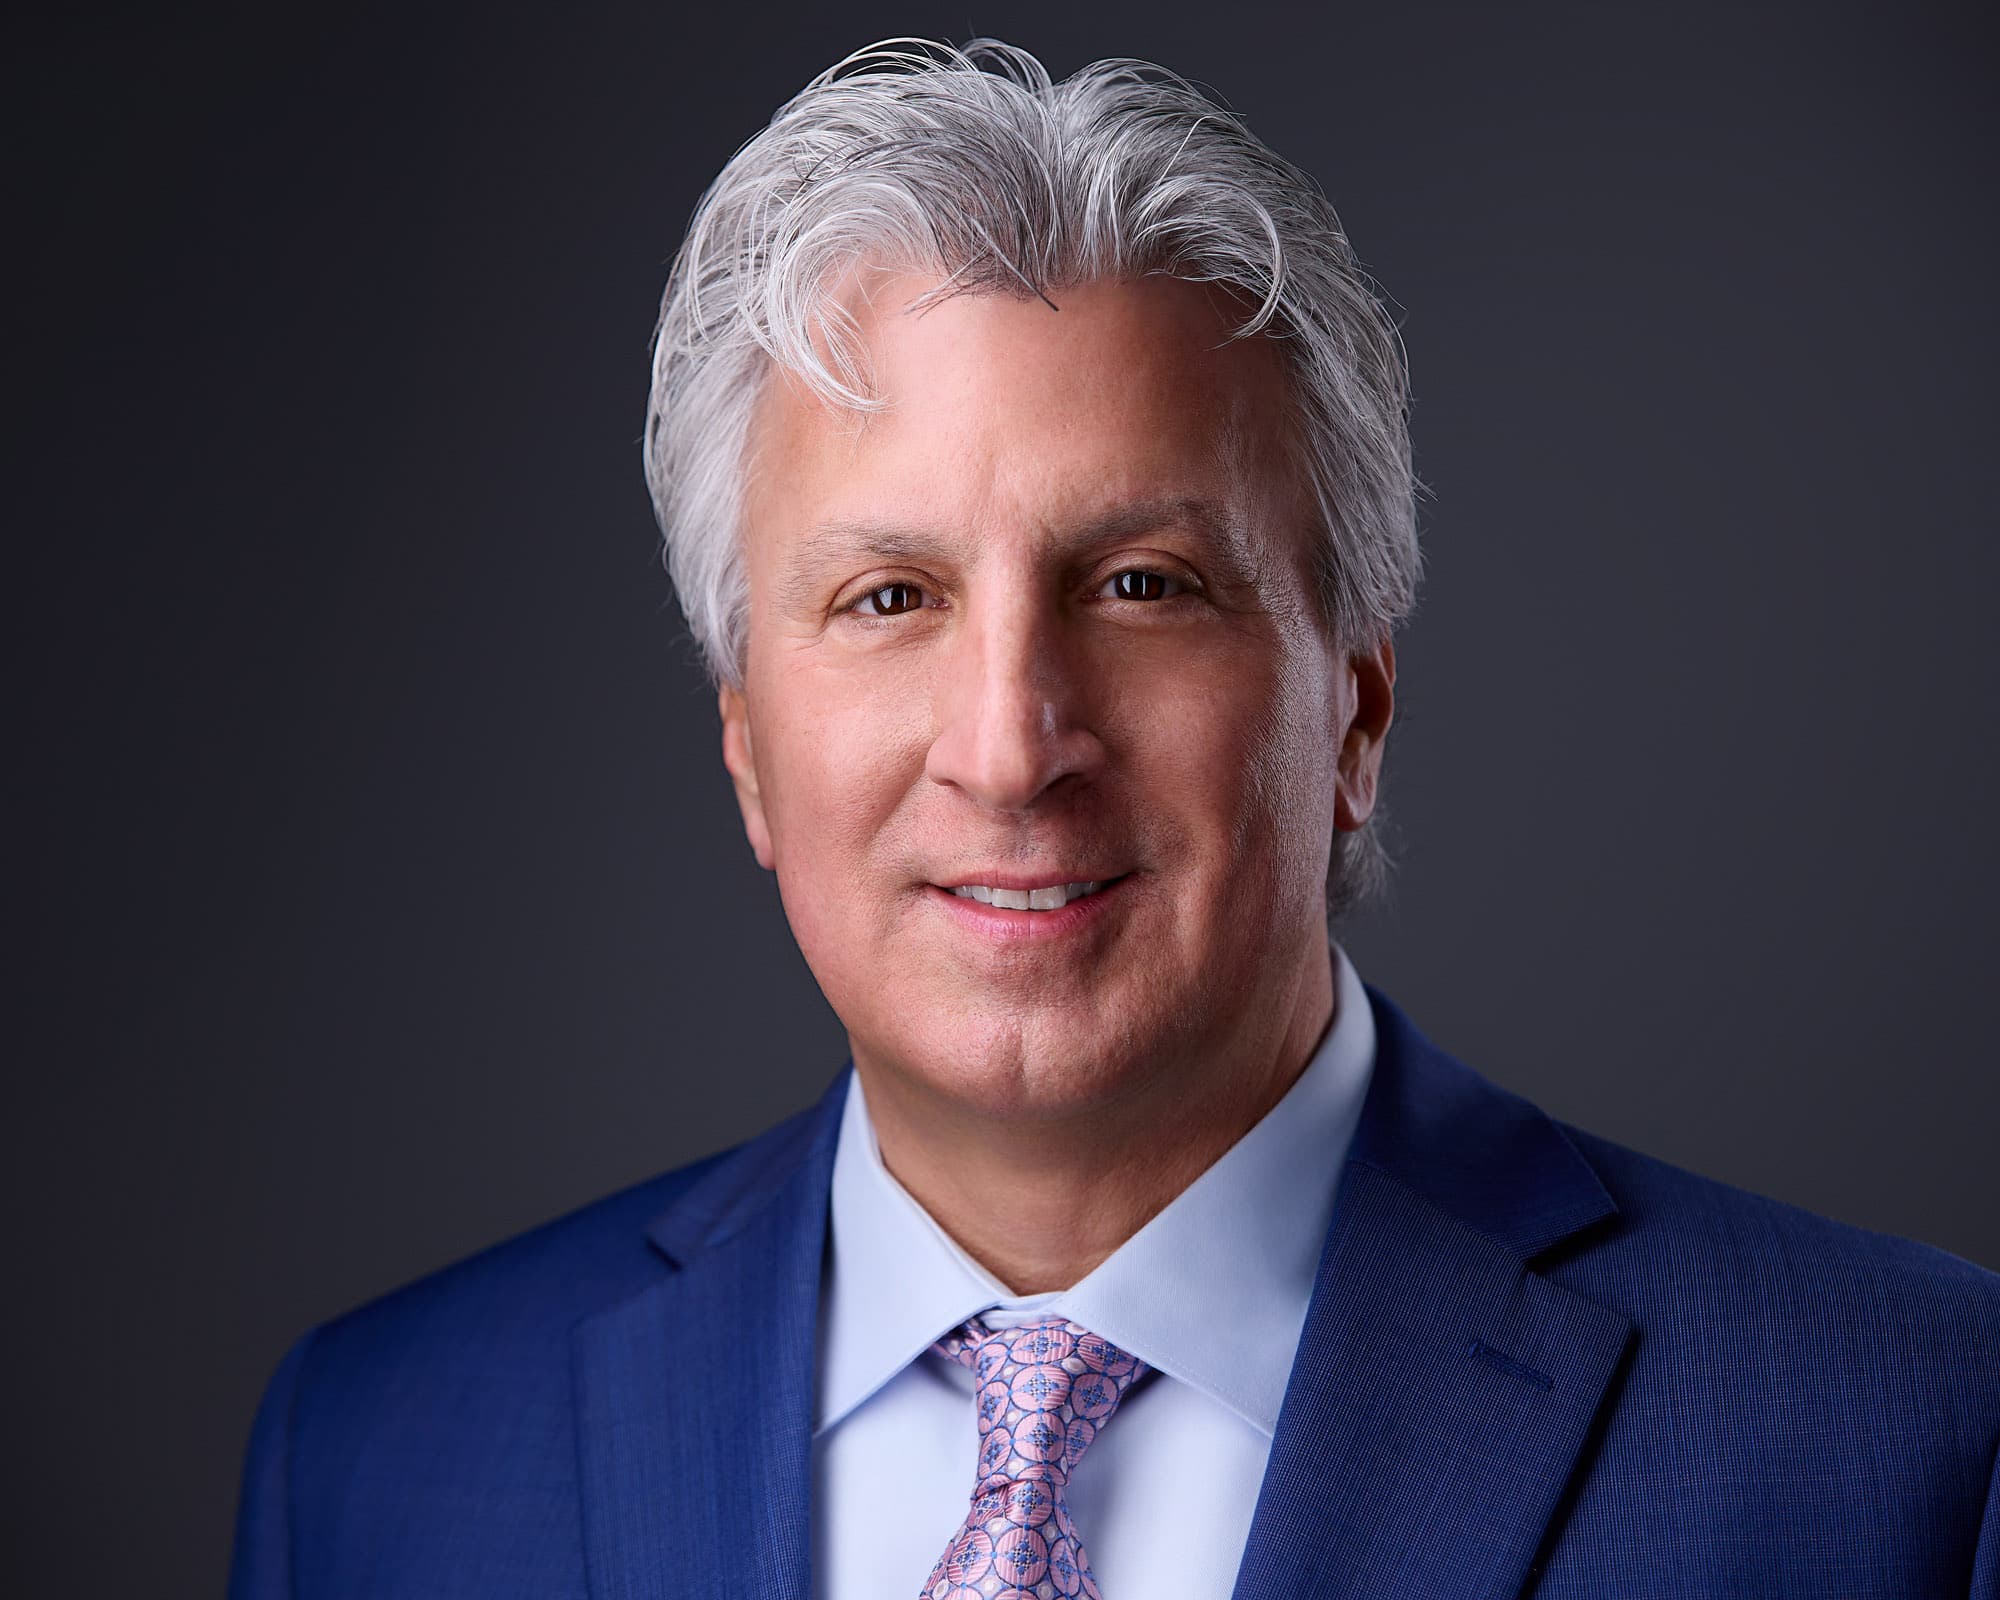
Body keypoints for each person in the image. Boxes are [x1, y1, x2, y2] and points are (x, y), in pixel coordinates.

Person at [228, 38, 2000, 1599]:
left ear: (1355, 711)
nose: (1010, 749)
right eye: (889, 598)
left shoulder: (1904, 1441)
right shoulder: (378, 1457)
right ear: (750, 748)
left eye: (1142, 583)